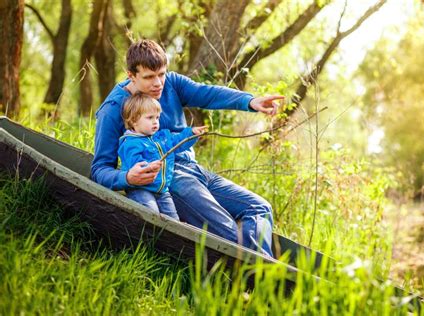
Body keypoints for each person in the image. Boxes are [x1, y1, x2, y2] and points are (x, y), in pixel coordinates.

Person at [91, 39, 284, 257]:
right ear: (131, 75)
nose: (158, 83)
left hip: (195, 169)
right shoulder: (113, 109)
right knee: (229, 233)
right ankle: (258, 281)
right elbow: (99, 169)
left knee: (260, 208)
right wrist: (127, 178)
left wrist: (250, 101)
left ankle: (256, 278)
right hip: (170, 179)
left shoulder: (171, 83)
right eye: (149, 77)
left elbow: (209, 94)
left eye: (161, 74)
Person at [119, 92, 207, 221]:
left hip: (162, 190)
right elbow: (135, 165)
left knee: (173, 221)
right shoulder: (131, 143)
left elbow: (178, 142)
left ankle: (169, 240)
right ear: (134, 120)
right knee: (151, 213)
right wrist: (149, 167)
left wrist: (191, 133)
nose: (155, 122)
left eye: (157, 118)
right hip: (140, 189)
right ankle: (146, 238)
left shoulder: (161, 138)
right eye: (150, 118)